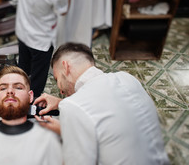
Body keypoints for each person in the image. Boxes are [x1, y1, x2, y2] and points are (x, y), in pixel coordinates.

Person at [34, 42, 170, 164]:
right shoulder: (127, 78)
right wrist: (60, 102)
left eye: (57, 79)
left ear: (66, 67)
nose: (60, 90)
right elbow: (108, 113)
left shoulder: (73, 107)